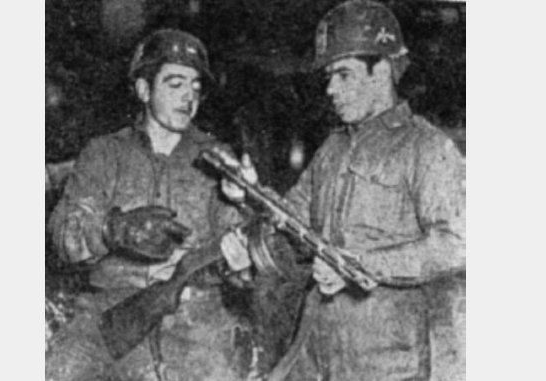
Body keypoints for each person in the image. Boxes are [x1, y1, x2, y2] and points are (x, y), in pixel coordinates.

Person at [220, 1, 466, 380]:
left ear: (382, 70)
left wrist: (360, 264)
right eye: (329, 77)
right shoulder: (331, 150)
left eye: (344, 75)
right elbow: (292, 223)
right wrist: (249, 211)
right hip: (316, 347)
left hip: (387, 360)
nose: (331, 89)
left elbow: (456, 244)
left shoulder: (427, 148)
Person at [47, 29, 258, 381]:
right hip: (107, 311)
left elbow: (241, 247)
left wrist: (244, 245)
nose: (188, 97)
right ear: (144, 90)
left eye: (195, 87)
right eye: (175, 83)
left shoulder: (217, 159)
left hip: (194, 318)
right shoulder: (104, 153)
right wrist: (112, 230)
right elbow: (63, 237)